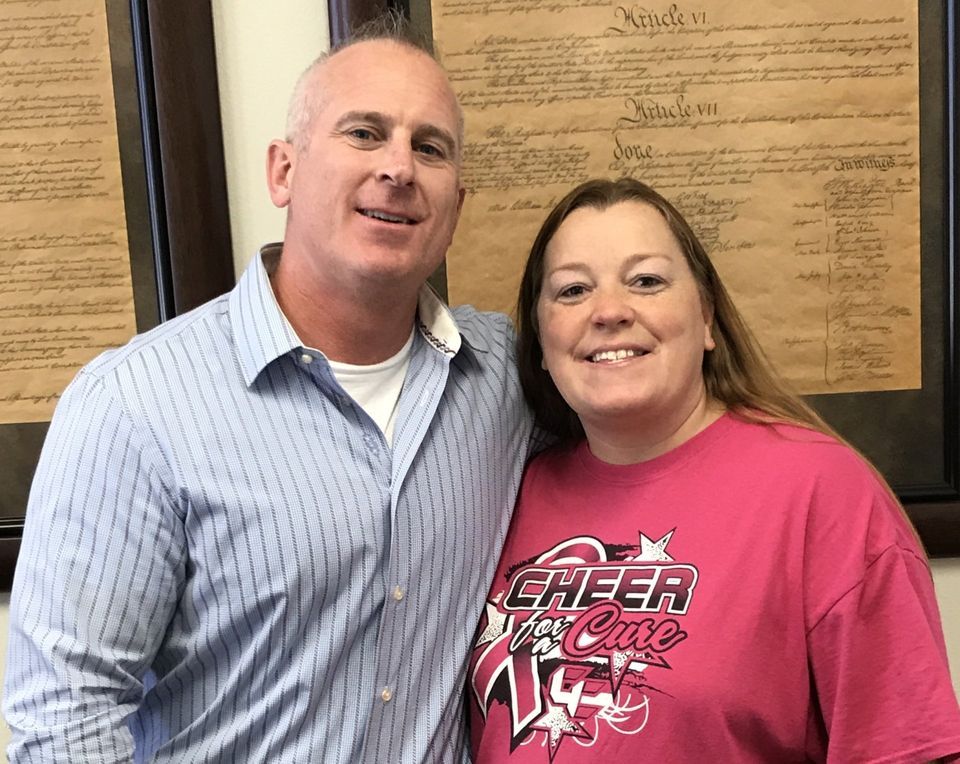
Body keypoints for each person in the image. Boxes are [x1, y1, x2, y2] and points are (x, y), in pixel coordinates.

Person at [4, 17, 532, 763]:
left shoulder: (509, 378)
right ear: (284, 170)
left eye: (430, 147)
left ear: (456, 204)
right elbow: (64, 718)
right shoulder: (134, 407)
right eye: (363, 133)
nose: (399, 168)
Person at [467, 177, 960, 763]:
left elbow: (906, 750)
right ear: (542, 345)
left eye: (645, 281)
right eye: (572, 290)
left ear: (706, 318)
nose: (608, 312)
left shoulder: (823, 492)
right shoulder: (508, 490)